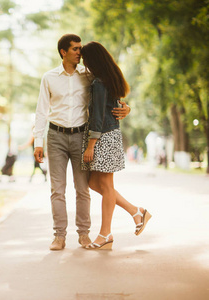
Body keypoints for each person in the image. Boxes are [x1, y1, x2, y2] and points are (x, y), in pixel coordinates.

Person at [33, 34, 131, 250]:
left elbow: (110, 94)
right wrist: (37, 142)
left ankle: (84, 234)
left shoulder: (89, 75)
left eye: (80, 48)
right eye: (76, 49)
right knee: (57, 189)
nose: (80, 52)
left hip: (81, 137)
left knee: (82, 189)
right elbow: (41, 111)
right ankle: (59, 236)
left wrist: (126, 107)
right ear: (63, 52)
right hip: (55, 137)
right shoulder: (49, 77)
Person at [81, 41, 152, 250]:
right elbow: (117, 106)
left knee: (106, 186)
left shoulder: (99, 83)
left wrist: (91, 145)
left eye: (86, 60)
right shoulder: (110, 78)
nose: (85, 64)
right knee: (95, 184)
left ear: (93, 60)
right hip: (109, 135)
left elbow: (99, 116)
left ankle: (105, 234)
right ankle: (136, 212)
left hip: (102, 137)